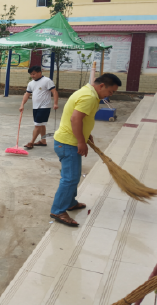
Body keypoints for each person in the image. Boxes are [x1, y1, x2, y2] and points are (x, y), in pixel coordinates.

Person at [50, 73, 122, 227]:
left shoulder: (88, 93)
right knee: (69, 178)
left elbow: (82, 119)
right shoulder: (89, 97)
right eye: (111, 92)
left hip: (69, 141)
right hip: (68, 143)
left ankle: (69, 202)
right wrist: (81, 141)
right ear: (102, 85)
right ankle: (58, 210)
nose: (110, 95)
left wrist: (87, 135)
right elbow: (75, 119)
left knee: (73, 176)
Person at [19, 66, 59, 149]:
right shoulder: (31, 83)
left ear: (39, 73)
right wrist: (22, 104)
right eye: (31, 74)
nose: (32, 76)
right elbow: (27, 94)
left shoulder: (47, 81)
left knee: (37, 125)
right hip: (35, 107)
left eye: (34, 74)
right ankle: (43, 141)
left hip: (44, 107)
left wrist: (55, 103)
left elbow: (54, 92)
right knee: (41, 124)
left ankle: (31, 142)